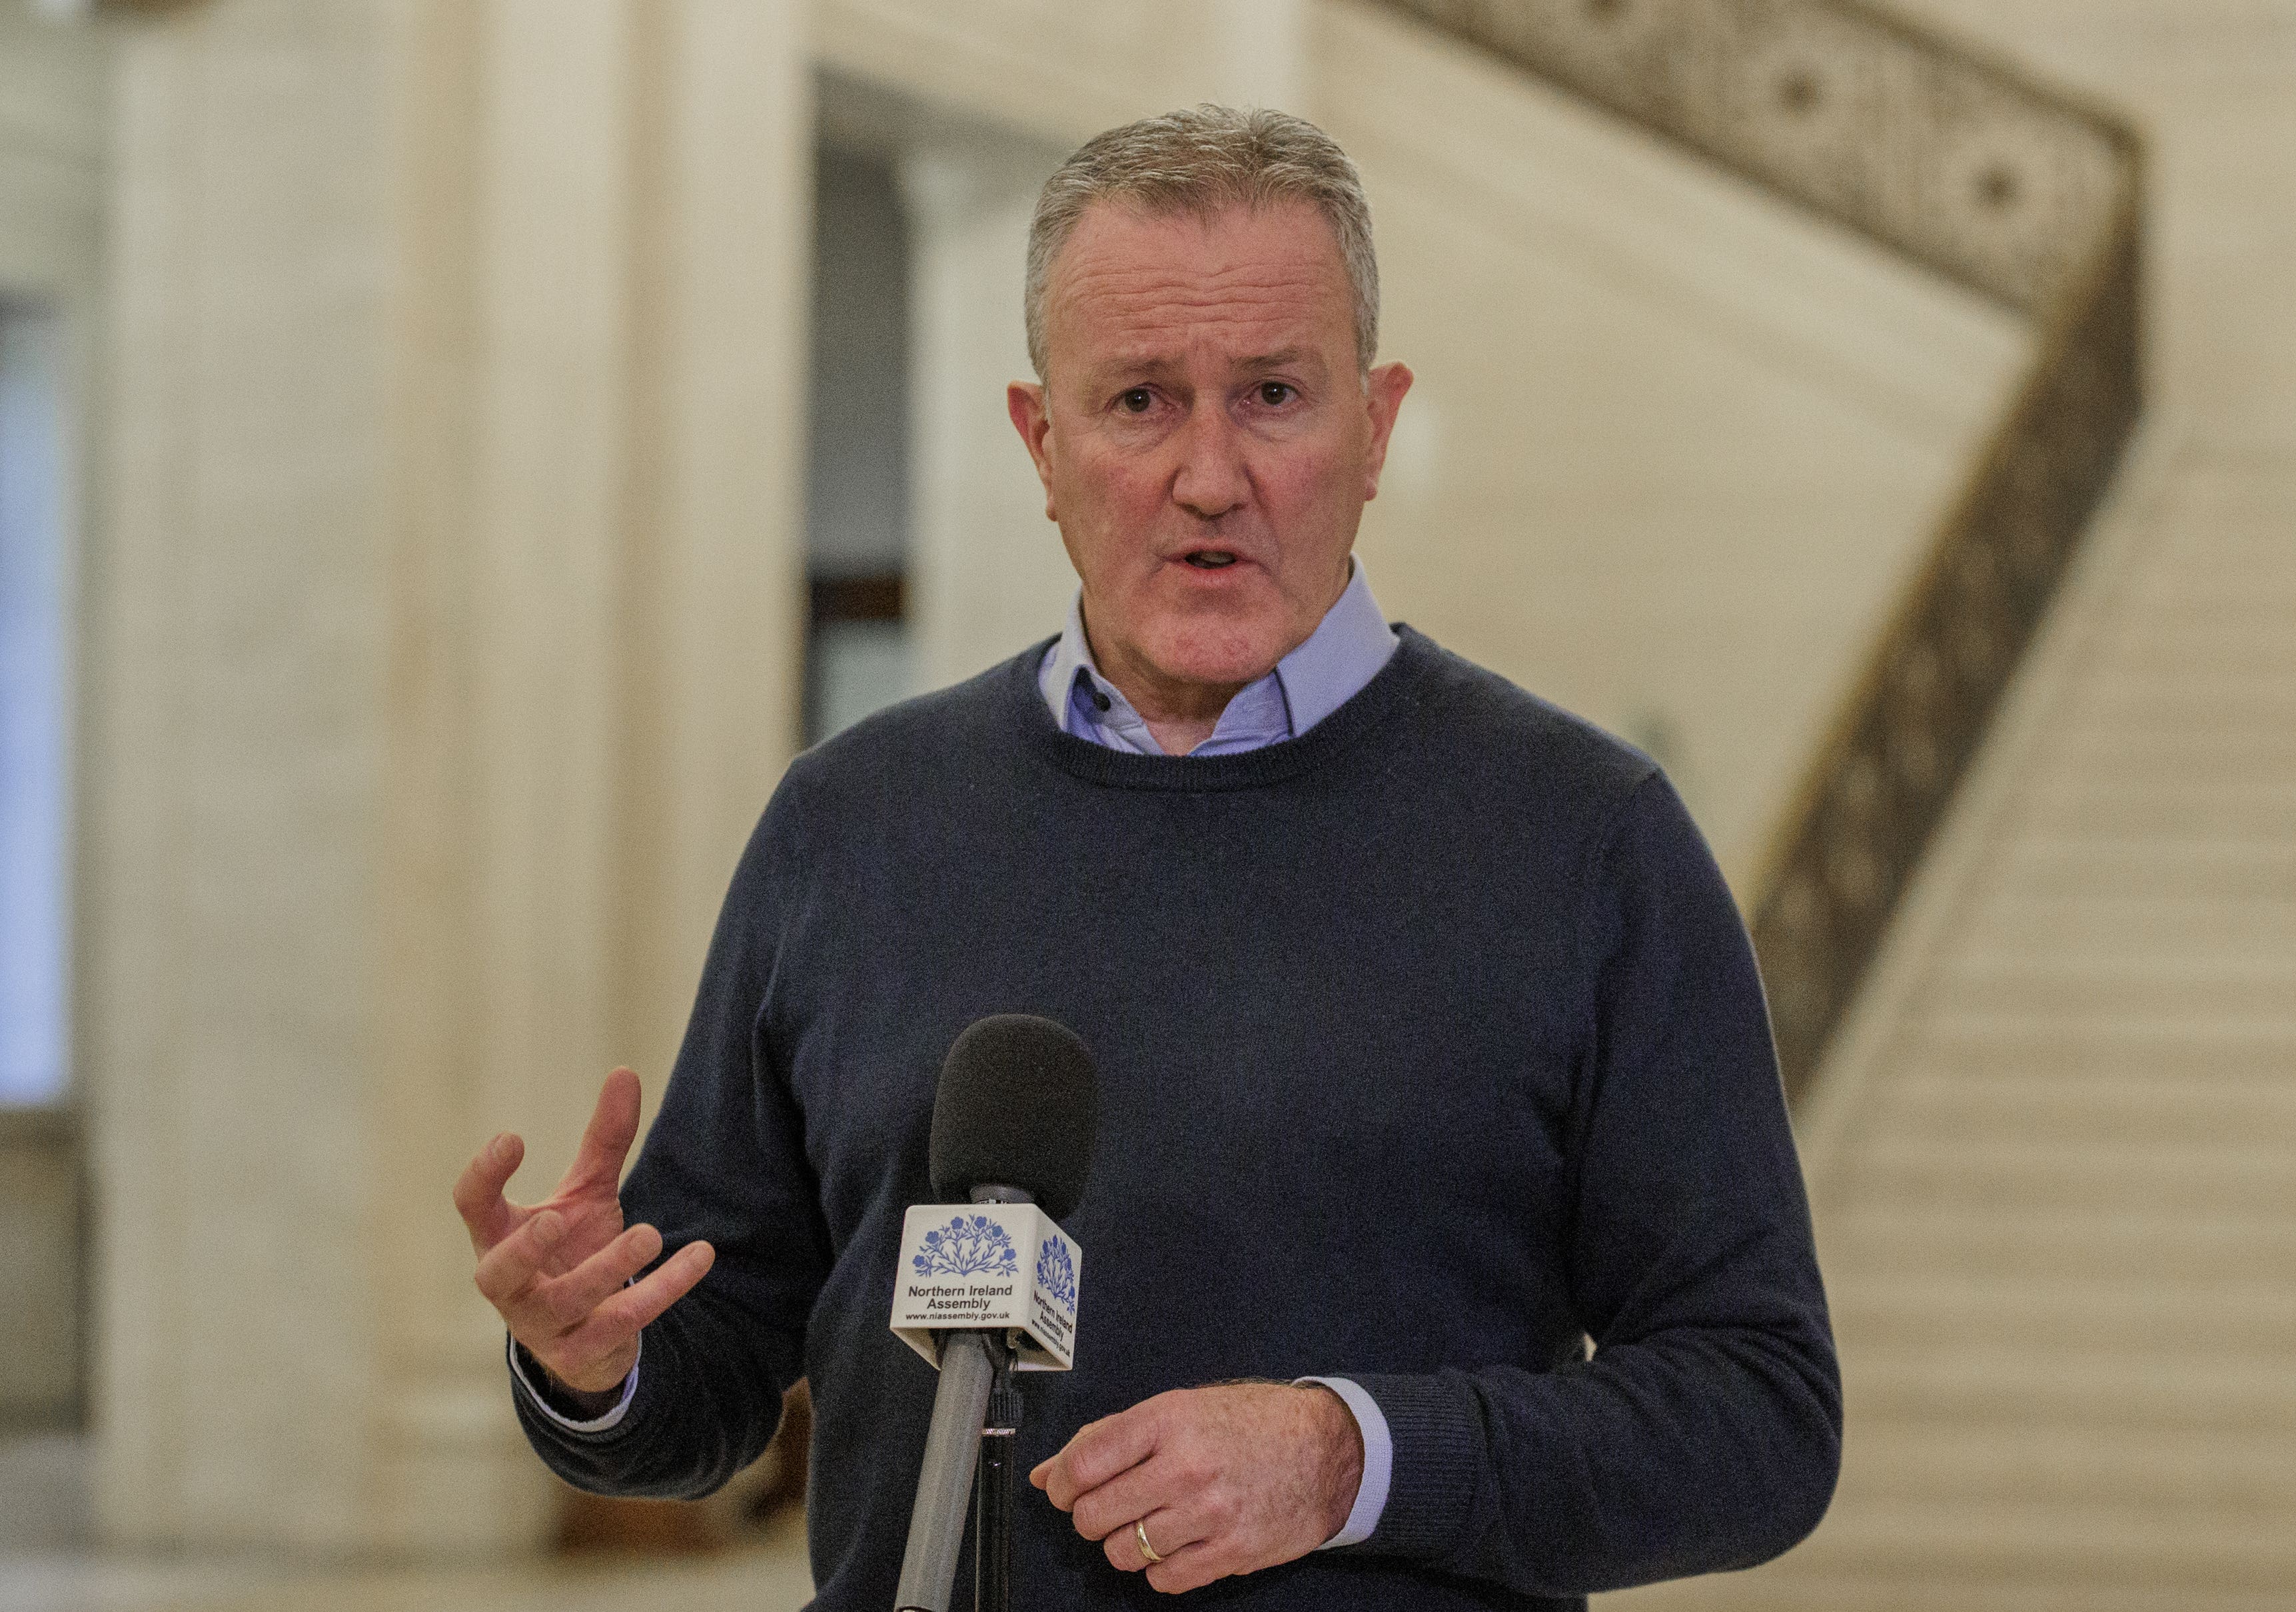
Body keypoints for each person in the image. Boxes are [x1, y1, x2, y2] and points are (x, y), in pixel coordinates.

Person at [455, 105, 1840, 1610]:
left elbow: (1760, 1415)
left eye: (1271, 395)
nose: (1208, 473)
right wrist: (596, 1363)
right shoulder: (849, 824)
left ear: (1372, 429)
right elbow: (708, 1378)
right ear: (1039, 445)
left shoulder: (1590, 845)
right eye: (1136, 401)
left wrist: (1352, 1454)